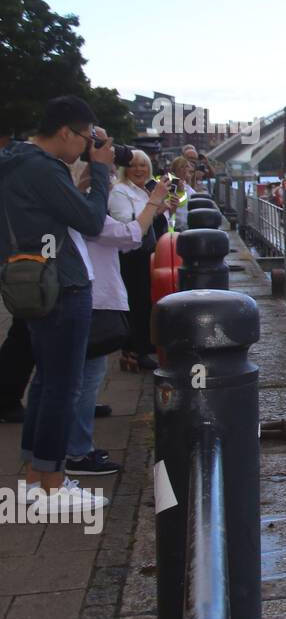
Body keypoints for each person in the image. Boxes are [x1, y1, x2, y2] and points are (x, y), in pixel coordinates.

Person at [0, 95, 115, 511]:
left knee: (47, 384)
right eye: (85, 139)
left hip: (33, 282)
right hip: (63, 285)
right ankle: (52, 484)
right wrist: (100, 172)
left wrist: (78, 187)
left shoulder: (14, 162)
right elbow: (91, 221)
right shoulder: (42, 168)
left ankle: (35, 477)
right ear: (66, 131)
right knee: (61, 387)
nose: (85, 147)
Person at [58, 162, 168, 476]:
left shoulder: (74, 210)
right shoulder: (88, 216)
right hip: (93, 299)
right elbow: (130, 235)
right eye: (105, 180)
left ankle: (66, 445)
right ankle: (77, 453)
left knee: (77, 377)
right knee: (84, 377)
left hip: (88, 297)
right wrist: (154, 199)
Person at [109, 150, 178, 371]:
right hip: (132, 256)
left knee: (145, 302)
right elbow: (127, 225)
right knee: (135, 302)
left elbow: (156, 225)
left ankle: (142, 347)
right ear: (125, 169)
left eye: (143, 165)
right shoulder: (120, 192)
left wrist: (167, 210)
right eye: (134, 165)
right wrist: (156, 209)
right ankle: (132, 352)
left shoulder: (145, 191)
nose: (139, 170)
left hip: (148, 253)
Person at [0, 128, 36, 422]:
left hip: (21, 258)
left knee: (24, 332)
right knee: (24, 333)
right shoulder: (19, 163)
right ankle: (6, 397)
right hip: (26, 261)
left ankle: (8, 396)